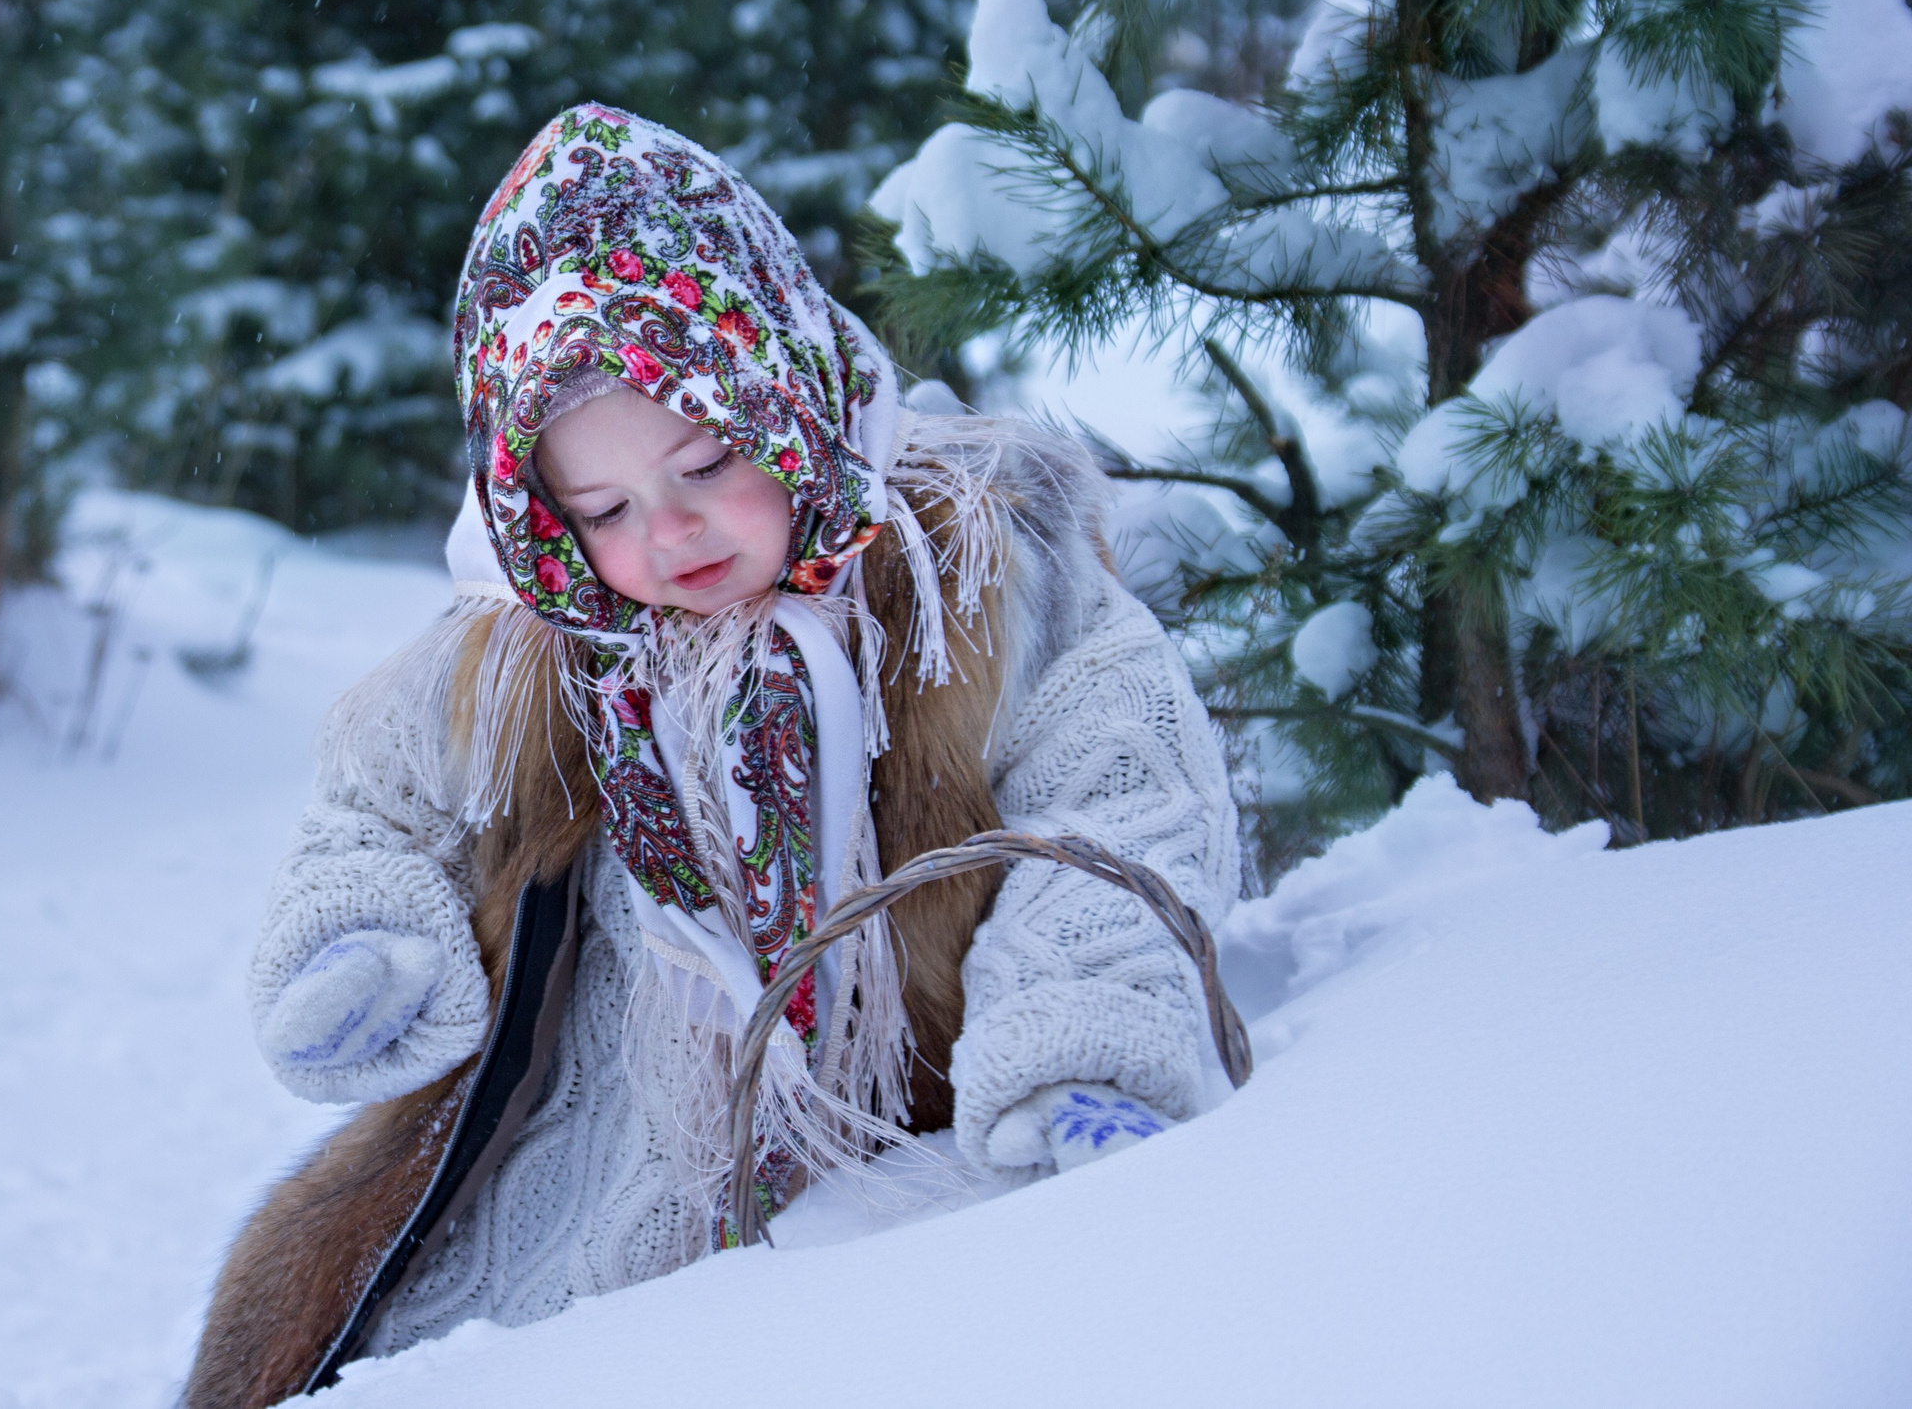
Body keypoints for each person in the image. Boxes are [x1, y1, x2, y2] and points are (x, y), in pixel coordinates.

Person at [182, 105, 1237, 1409]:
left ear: (786, 391)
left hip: (915, 1158)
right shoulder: (531, 655)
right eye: (606, 509)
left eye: (708, 460)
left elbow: (1123, 796)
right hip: (598, 1179)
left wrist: (1079, 1043)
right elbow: (375, 801)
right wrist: (363, 941)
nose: (670, 535)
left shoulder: (977, 587)